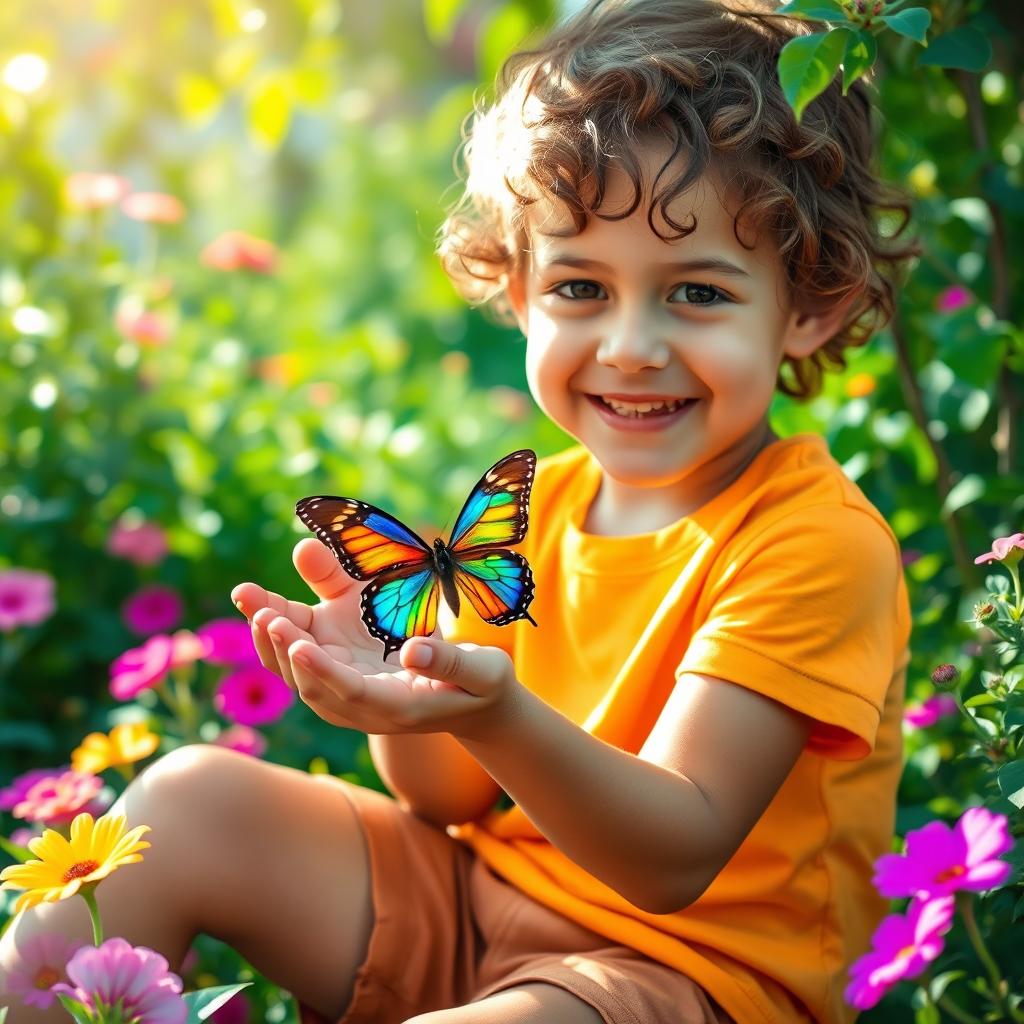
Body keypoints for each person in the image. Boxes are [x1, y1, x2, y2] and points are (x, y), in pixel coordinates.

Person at [0, 0, 921, 1021]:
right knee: (188, 800)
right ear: (517, 291)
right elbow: (443, 798)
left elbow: (675, 853)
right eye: (580, 288)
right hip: (479, 905)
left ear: (808, 305)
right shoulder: (536, 507)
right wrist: (405, 690)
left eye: (696, 294)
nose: (628, 346)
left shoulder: (811, 541)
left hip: (684, 976)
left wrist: (497, 710)